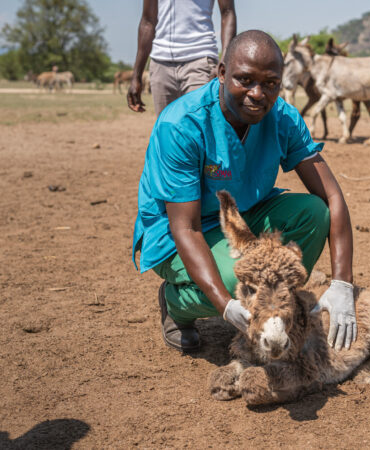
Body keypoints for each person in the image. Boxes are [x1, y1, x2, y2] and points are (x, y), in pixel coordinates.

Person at [132, 30, 357, 353]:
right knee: (231, 281)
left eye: (270, 83)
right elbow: (186, 227)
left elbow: (332, 197)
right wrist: (225, 304)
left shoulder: (282, 117)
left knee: (313, 212)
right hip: (179, 232)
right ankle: (176, 303)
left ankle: (270, 303)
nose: (258, 93)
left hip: (244, 214)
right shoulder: (182, 125)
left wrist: (342, 284)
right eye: (245, 80)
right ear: (222, 73)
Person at [127, 0, 236, 115]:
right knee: (167, 127)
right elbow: (148, 20)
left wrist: (224, 58)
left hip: (200, 60)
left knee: (200, 124)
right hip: (161, 65)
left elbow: (227, 12)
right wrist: (136, 76)